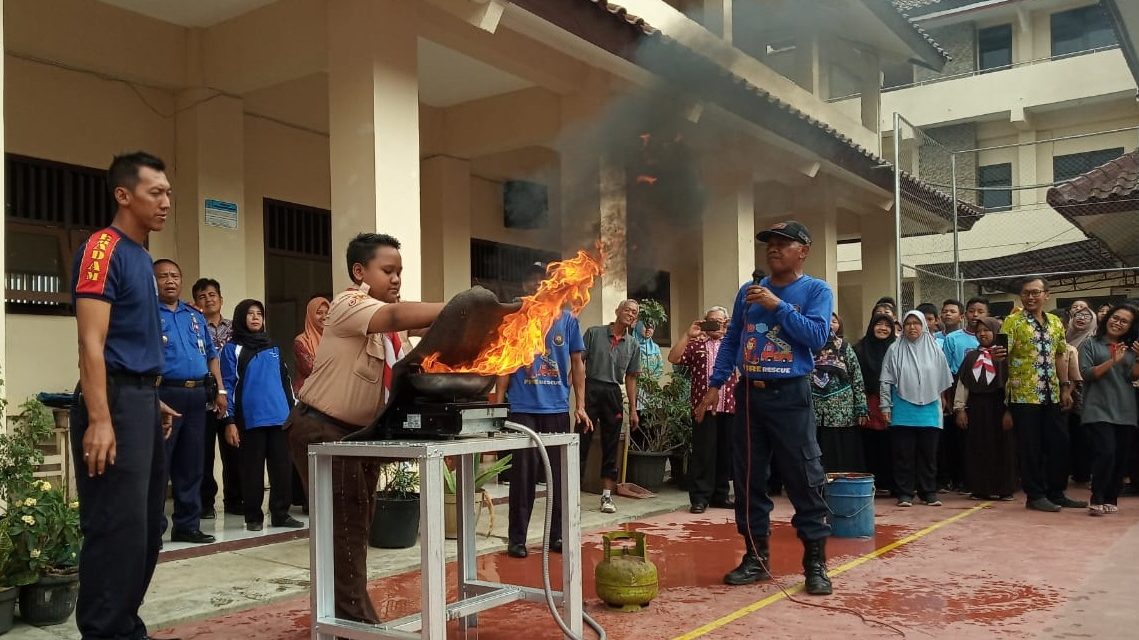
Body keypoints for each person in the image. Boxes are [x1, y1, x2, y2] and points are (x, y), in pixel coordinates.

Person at [287, 232, 442, 623]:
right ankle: (355, 624)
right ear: (360, 271)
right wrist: (460, 307)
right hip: (323, 430)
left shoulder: (392, 335)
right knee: (345, 532)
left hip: (358, 436)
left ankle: (344, 617)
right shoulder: (348, 304)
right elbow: (393, 313)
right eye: (387, 270)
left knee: (354, 530)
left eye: (399, 272)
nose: (396, 279)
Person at [70, 151, 179, 640]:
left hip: (138, 402)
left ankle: (125, 625)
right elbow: (91, 342)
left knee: (148, 527)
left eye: (169, 193)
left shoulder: (140, 257)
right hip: (112, 404)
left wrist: (149, 397)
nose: (166, 202)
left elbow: (127, 341)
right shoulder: (103, 248)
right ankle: (105, 630)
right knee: (116, 527)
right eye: (156, 192)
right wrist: (100, 418)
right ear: (123, 194)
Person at [699, 220, 833, 595]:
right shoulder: (748, 293)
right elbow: (730, 343)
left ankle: (815, 564)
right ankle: (755, 558)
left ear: (803, 251)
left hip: (791, 395)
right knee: (747, 480)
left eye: (782, 244)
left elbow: (817, 338)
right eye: (769, 244)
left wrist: (778, 306)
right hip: (748, 395)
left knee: (804, 477)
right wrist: (714, 385)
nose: (773, 249)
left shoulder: (816, 290)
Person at [495, 263, 590, 558]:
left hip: (557, 408)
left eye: (543, 280)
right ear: (527, 287)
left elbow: (577, 365)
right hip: (522, 408)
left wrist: (581, 405)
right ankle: (517, 539)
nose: (538, 286)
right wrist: (498, 404)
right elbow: (506, 364)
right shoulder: (517, 317)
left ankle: (557, 536)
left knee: (558, 477)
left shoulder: (569, 320)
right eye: (532, 281)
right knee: (521, 478)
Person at [155, 259, 225, 544]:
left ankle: (187, 524)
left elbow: (211, 355)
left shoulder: (194, 316)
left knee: (192, 463)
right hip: (164, 394)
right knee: (160, 462)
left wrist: (220, 391)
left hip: (197, 395)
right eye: (162, 276)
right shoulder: (146, 313)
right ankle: (154, 528)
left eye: (175, 275)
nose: (170, 281)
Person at [220, 299, 305, 531]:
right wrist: (230, 421)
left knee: (282, 469)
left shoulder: (273, 348)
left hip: (280, 419)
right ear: (240, 318)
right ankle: (253, 517)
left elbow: (286, 383)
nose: (256, 317)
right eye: (250, 314)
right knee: (252, 471)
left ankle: (280, 514)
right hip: (250, 420)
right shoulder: (231, 350)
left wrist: (293, 415)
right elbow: (227, 386)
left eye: (259, 313)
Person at [1001, 277, 1085, 512]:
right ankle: (1035, 495)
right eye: (1026, 293)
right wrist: (997, 353)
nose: (1030, 297)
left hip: (1052, 393)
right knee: (1030, 447)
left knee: (1060, 443)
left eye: (1035, 292)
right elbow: (1002, 351)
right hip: (1024, 394)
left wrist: (1065, 385)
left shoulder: (1056, 322)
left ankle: (1056, 492)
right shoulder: (1012, 322)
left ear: (1046, 295)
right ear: (1020, 296)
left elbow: (1060, 355)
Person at [668, 306, 739, 514]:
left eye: (721, 321)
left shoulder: (733, 344)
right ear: (705, 323)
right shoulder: (697, 343)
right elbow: (673, 358)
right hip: (703, 407)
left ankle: (721, 495)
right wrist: (687, 335)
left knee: (725, 453)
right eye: (712, 321)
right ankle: (699, 498)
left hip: (729, 406)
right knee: (703, 453)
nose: (717, 324)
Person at [880, 311, 954, 508]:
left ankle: (928, 492)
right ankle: (905, 493)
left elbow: (943, 379)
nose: (912, 327)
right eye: (908, 323)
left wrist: (943, 399)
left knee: (928, 455)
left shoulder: (935, 349)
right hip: (902, 408)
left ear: (923, 326)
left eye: (916, 323)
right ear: (903, 327)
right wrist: (885, 406)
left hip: (930, 408)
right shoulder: (894, 349)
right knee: (903, 455)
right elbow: (885, 380)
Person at [580, 300, 641, 514]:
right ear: (617, 311)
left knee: (611, 445)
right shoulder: (594, 333)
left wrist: (633, 409)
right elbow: (578, 363)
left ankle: (607, 497)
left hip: (614, 392)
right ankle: (572, 494)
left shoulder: (633, 344)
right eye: (627, 310)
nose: (630, 314)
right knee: (580, 441)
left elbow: (631, 378)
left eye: (634, 313)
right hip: (591, 389)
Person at [1078, 303, 1139, 516]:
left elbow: (1133, 376)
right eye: (1115, 317)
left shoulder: (1131, 348)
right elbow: (1087, 374)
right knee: (1106, 452)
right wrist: (1112, 362)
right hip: (1098, 408)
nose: (1117, 323)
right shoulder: (1090, 344)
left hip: (1126, 409)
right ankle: (1097, 497)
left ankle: (1112, 497)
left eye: (1124, 321)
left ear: (1130, 327)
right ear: (1107, 318)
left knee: (1121, 456)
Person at [193, 277, 242, 519]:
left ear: (221, 299)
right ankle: (205, 503)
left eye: (212, 295)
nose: (208, 299)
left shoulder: (236, 328)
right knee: (203, 455)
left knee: (233, 450)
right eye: (202, 296)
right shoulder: (192, 327)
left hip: (231, 398)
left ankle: (234, 500)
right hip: (202, 398)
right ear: (195, 302)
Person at [953, 317, 1016, 501]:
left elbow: (1012, 384)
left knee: (1003, 447)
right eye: (979, 330)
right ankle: (980, 488)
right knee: (977, 447)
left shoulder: (1005, 356)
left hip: (999, 406)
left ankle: (1004, 488)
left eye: (987, 330)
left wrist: (1009, 410)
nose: (982, 334)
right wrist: (960, 409)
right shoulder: (971, 356)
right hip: (977, 407)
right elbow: (962, 385)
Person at [939, 297, 990, 494]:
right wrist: (949, 398)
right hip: (958, 389)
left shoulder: (992, 337)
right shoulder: (953, 339)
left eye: (980, 311)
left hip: (984, 394)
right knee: (958, 438)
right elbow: (946, 369)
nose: (975, 315)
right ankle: (958, 478)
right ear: (965, 315)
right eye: (971, 311)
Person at [810, 313, 868, 473]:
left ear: (839, 325)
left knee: (842, 452)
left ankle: (842, 487)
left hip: (842, 412)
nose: (829, 325)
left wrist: (861, 407)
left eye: (833, 321)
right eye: (824, 321)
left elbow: (856, 377)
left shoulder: (844, 347)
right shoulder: (808, 347)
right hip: (815, 411)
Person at [855, 313, 897, 496]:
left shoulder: (897, 349)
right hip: (869, 401)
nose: (883, 328)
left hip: (893, 401)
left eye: (887, 325)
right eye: (878, 324)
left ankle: (890, 482)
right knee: (869, 443)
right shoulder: (860, 348)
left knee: (891, 443)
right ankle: (871, 482)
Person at [1065, 300, 1096, 485]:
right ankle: (1077, 471)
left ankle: (1087, 472)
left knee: (1086, 434)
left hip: (1086, 393)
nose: (1081, 318)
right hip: (1065, 391)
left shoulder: (1093, 339)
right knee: (1072, 433)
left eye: (1086, 315)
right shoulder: (1065, 337)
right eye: (1077, 314)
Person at [293, 296, 331, 395]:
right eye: (319, 313)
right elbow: (311, 369)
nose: (324, 317)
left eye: (327, 313)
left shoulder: (334, 339)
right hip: (308, 396)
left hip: (331, 394)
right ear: (310, 315)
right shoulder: (301, 341)